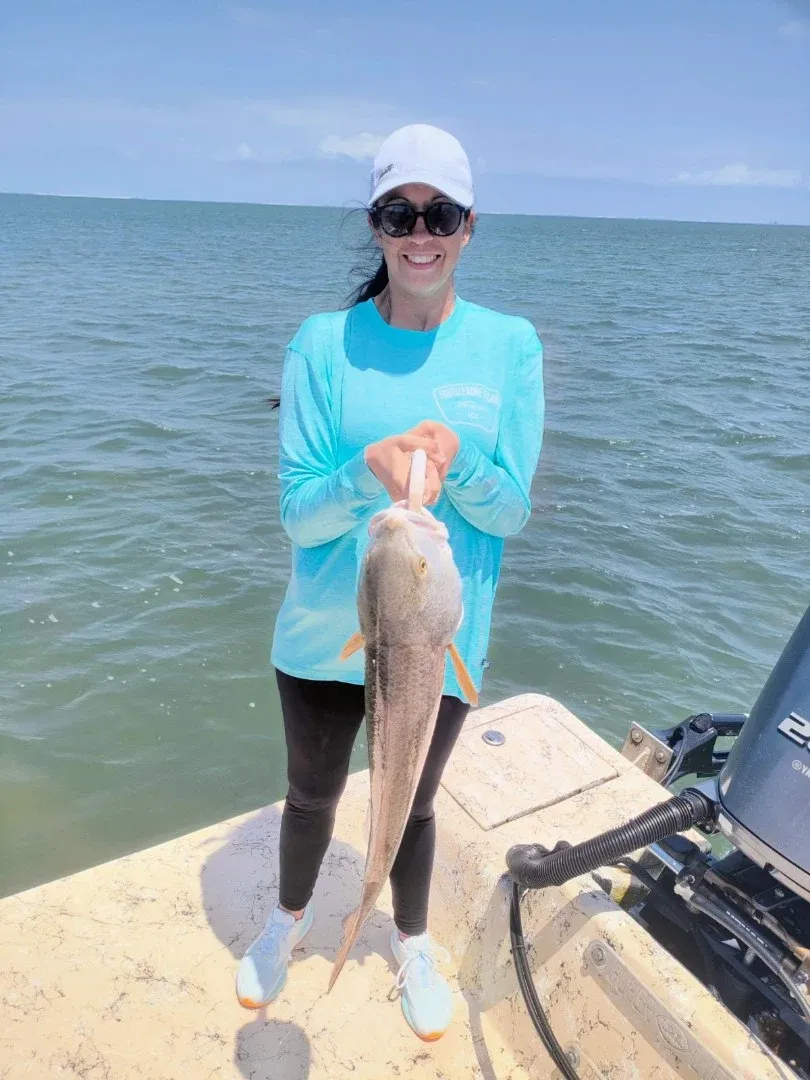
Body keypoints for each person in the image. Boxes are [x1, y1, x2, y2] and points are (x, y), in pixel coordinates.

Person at [236, 124, 545, 1041]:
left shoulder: (509, 346)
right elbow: (298, 514)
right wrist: (362, 473)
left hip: (435, 641)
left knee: (412, 802)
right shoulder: (321, 345)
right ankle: (288, 920)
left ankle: (407, 938)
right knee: (311, 796)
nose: (421, 233)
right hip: (323, 637)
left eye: (439, 214)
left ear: (469, 226)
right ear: (375, 226)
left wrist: (471, 459)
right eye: (398, 214)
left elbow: (512, 510)